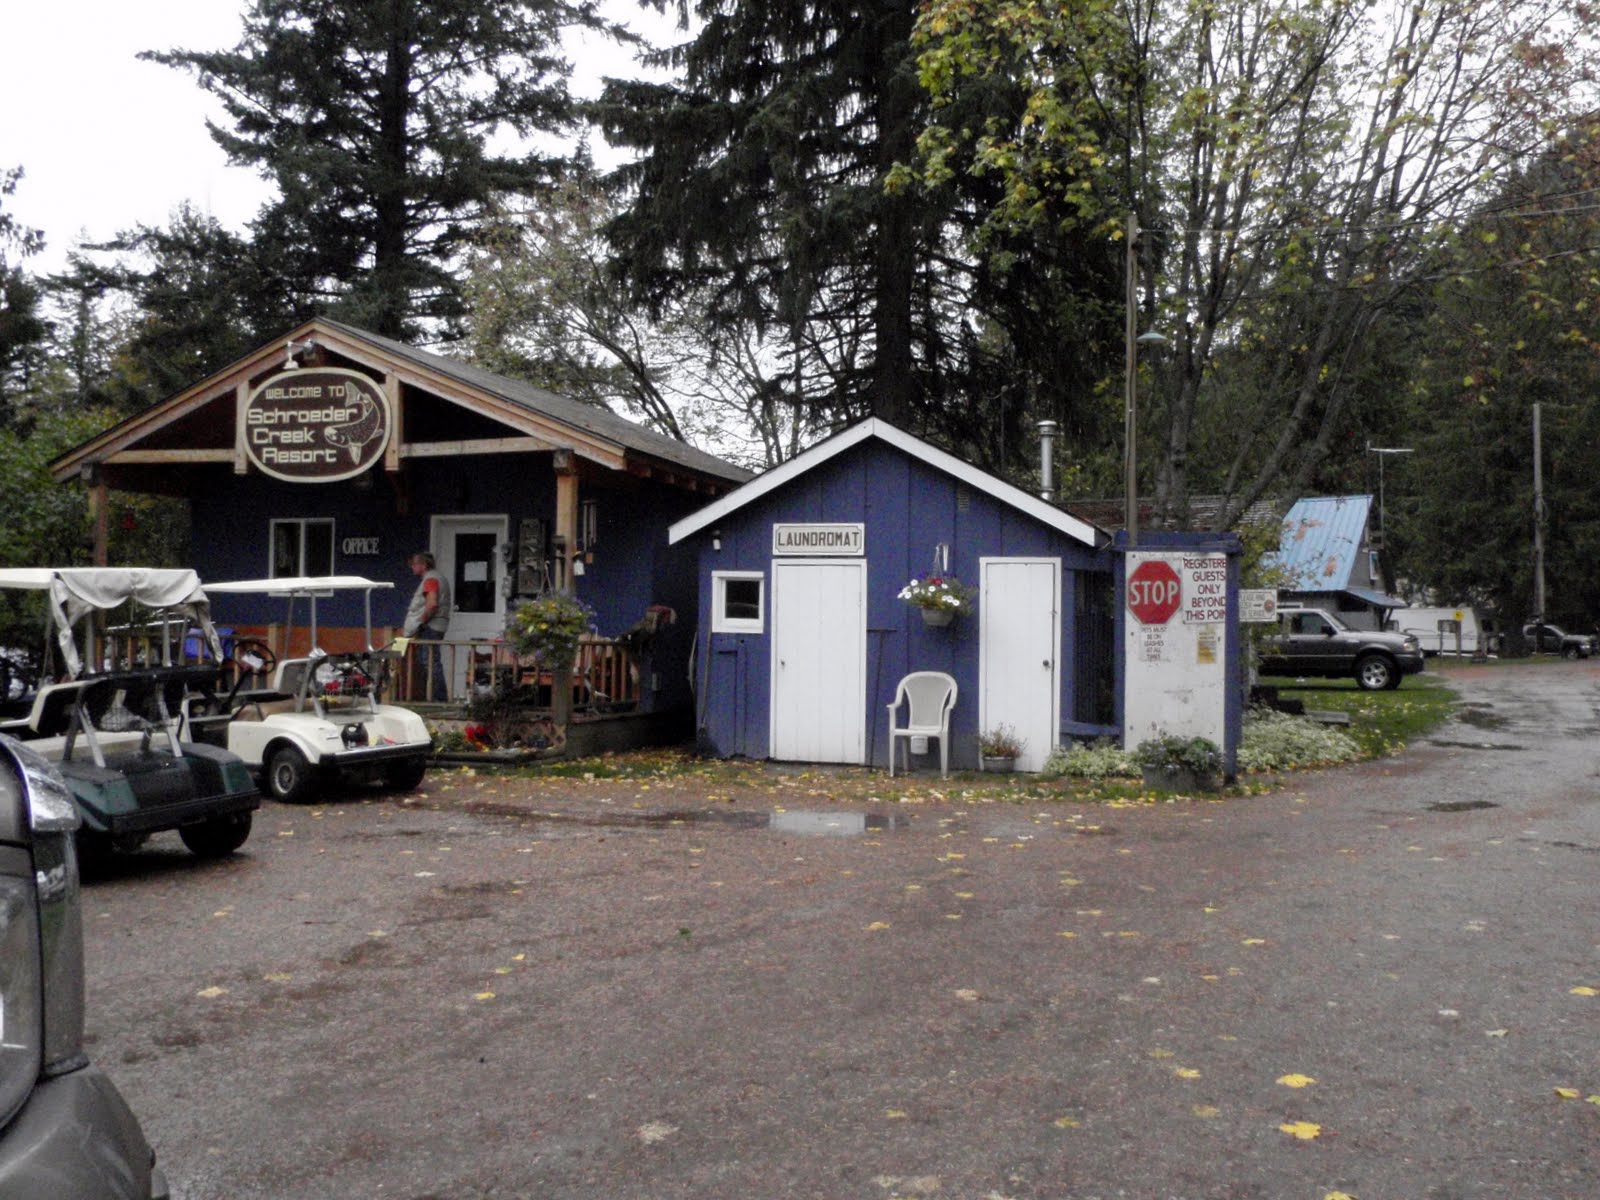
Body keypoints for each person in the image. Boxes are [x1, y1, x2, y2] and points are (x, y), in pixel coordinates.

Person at [402, 552, 452, 699]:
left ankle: (439, 698)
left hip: (431, 626)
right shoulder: (437, 577)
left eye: (414, 564)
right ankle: (436, 697)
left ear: (423, 565)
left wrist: (421, 622)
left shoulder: (430, 579)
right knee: (430, 661)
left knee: (430, 662)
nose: (412, 567)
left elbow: (432, 604)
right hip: (436, 625)